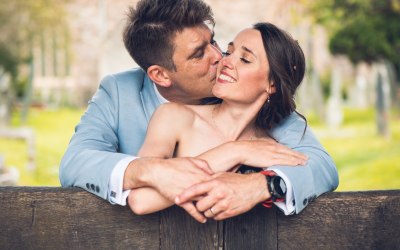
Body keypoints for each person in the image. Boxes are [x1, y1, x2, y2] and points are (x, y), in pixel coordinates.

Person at [59, 0, 338, 223]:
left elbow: (320, 165)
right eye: (198, 53)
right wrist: (150, 170)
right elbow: (75, 163)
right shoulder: (120, 93)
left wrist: (262, 185)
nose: (220, 58)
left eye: (214, 42)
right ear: (161, 75)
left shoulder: (263, 109)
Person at [128, 22, 331, 219]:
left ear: (272, 84)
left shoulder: (271, 149)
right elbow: (140, 200)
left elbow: (320, 169)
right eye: (229, 51)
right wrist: (235, 152)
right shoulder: (174, 117)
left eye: (245, 59)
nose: (225, 61)